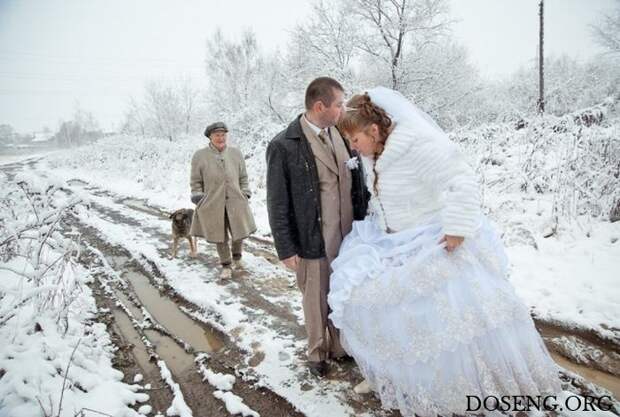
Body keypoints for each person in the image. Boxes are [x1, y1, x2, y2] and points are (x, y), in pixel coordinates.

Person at [327, 87, 561, 417]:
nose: (353, 147)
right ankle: (394, 377)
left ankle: (457, 388)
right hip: (398, 242)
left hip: (435, 241)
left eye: (354, 139)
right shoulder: (375, 154)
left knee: (444, 323)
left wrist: (455, 229)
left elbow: (461, 181)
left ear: (374, 130)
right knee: (380, 309)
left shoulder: (419, 145)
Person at [265, 77, 369, 377]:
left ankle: (340, 346)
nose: (342, 109)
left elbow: (357, 182)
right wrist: (285, 247)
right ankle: (317, 352)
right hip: (313, 238)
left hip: (349, 237)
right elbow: (277, 201)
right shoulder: (284, 145)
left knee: (344, 292)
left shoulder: (342, 134)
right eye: (338, 104)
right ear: (320, 106)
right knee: (315, 299)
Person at [190, 121, 256, 279]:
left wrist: (245, 192)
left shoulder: (235, 153)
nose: (221, 138)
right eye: (217, 135)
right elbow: (195, 181)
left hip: (236, 200)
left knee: (239, 232)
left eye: (223, 135)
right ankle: (226, 265)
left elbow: (243, 177)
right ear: (210, 137)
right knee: (220, 235)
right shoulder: (200, 155)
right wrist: (198, 196)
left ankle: (237, 258)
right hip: (212, 202)